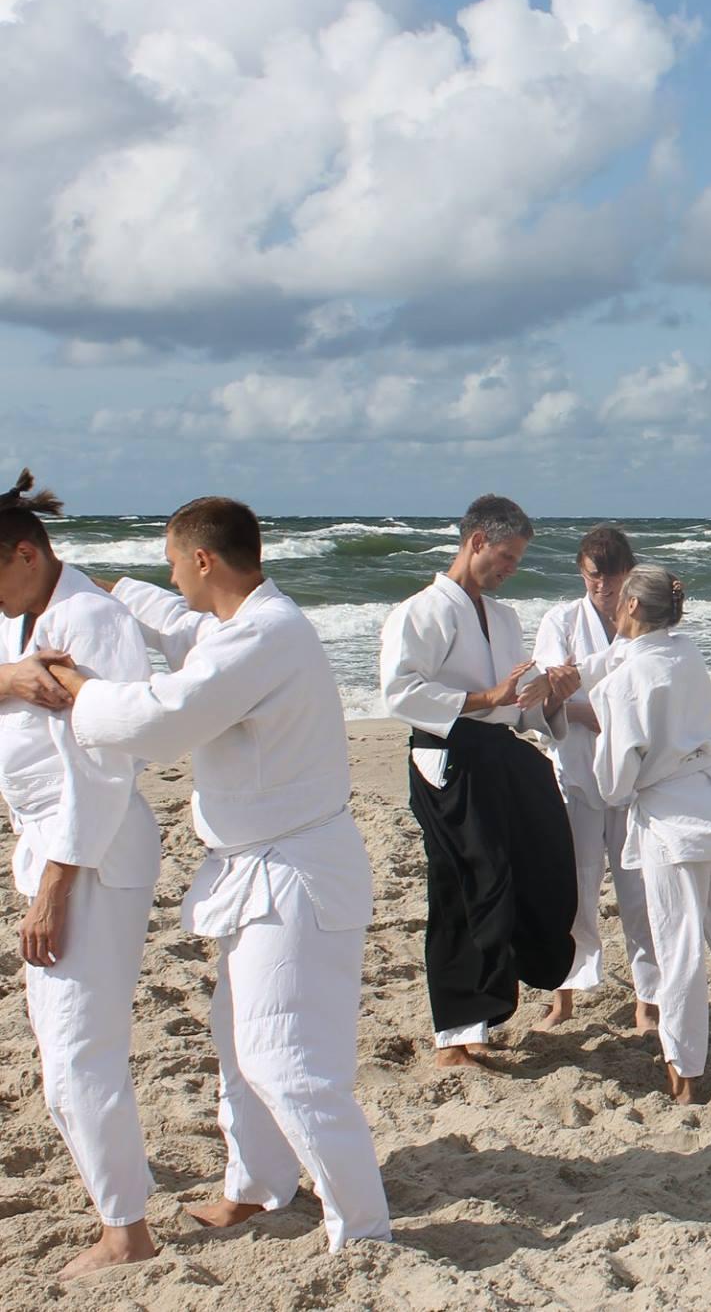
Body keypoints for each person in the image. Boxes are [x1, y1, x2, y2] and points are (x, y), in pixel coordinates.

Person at [59, 496, 390, 1252]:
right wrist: (96, 585)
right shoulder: (239, 624)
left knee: (287, 1062)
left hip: (296, 874)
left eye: (173, 562)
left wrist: (78, 690)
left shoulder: (264, 636)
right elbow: (177, 624)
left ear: (203, 559)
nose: (170, 577)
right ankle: (258, 1187)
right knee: (241, 1044)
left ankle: (364, 1230)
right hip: (262, 869)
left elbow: (162, 718)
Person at [0, 472, 163, 1279]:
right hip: (45, 845)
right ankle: (118, 1200)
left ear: (26, 554)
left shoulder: (91, 621)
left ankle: (127, 1233)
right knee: (60, 1051)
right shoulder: (18, 613)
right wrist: (8, 679)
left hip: (89, 855)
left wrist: (54, 888)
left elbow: (105, 766)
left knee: (77, 1053)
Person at [378, 494, 578, 1067]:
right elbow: (400, 693)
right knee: (465, 884)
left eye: (518, 559)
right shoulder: (420, 611)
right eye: (507, 556)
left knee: (538, 863)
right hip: (446, 756)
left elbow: (515, 705)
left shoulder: (504, 617)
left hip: (499, 753)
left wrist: (551, 696)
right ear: (476, 542)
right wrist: (486, 697)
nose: (512, 569)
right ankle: (456, 1036)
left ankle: (494, 1005)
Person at [590, 566, 711, 1103]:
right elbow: (631, 660)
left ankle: (686, 1074)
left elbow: (614, 783)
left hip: (673, 821)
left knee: (680, 950)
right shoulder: (686, 652)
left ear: (632, 606)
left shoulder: (625, 682)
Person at [532, 524, 659, 1032]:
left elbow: (657, 687)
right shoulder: (561, 621)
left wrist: (607, 714)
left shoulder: (644, 621)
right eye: (592, 577)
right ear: (581, 574)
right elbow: (547, 692)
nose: (602, 587)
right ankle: (563, 998)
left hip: (634, 777)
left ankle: (648, 1001)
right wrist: (593, 713)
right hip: (578, 772)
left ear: (628, 573)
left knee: (640, 892)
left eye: (611, 577)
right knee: (576, 889)